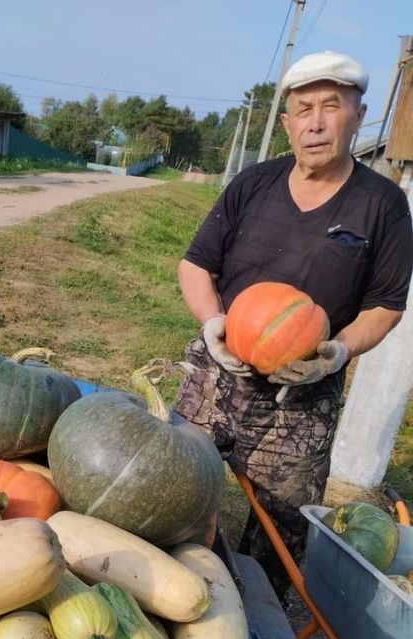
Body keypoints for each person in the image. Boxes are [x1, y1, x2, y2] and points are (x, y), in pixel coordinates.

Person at [175, 50, 413, 599]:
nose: (316, 122)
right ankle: (178, 588)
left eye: (333, 106)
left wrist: (339, 351)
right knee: (175, 487)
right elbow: (196, 265)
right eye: (303, 108)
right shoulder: (253, 184)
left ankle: (256, 615)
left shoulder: (383, 205)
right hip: (220, 369)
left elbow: (385, 305)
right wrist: (213, 323)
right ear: (285, 121)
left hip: (302, 392)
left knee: (280, 531)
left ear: (359, 114)